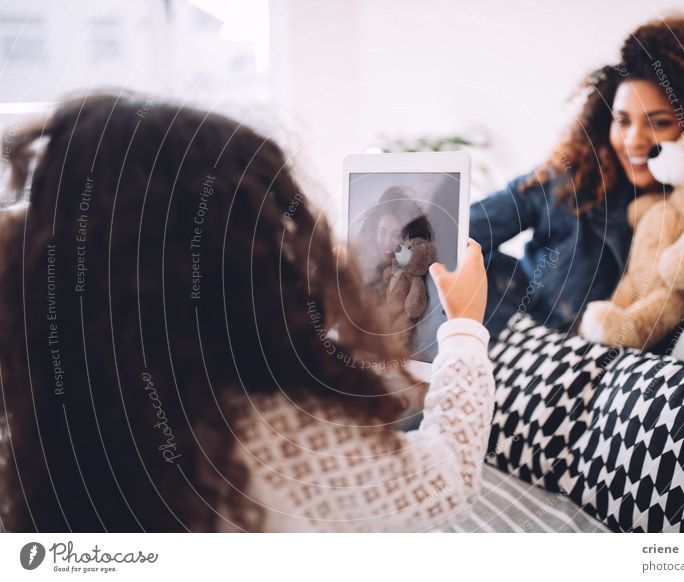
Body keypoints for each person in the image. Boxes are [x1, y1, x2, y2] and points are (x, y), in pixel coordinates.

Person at [0, 93, 492, 532]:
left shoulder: (40, 408)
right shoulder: (276, 434)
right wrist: (466, 326)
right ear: (245, 268)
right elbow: (443, 482)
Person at [470, 15, 684, 343]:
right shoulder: (570, 178)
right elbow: (462, 232)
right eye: (622, 121)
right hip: (511, 345)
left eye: (658, 122)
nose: (634, 141)